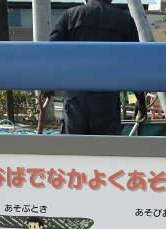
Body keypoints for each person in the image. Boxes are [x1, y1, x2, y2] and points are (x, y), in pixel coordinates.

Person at [48, 0, 147, 135]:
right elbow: (134, 64)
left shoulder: (70, 16)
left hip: (76, 98)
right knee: (105, 146)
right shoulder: (125, 21)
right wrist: (140, 99)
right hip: (107, 99)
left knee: (73, 146)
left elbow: (51, 52)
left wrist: (47, 87)